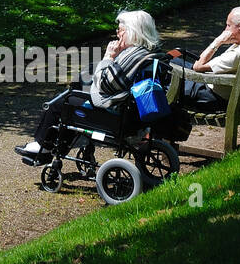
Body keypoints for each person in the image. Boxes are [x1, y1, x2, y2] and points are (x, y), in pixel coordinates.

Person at [15, 9, 161, 164]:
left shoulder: (131, 56)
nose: (117, 33)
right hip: (128, 109)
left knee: (61, 104)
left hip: (114, 109)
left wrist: (109, 56)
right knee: (78, 87)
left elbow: (105, 84)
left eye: (121, 30)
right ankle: (53, 147)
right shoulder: (149, 53)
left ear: (133, 32)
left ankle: (41, 145)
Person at [169, 0, 240, 112]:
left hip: (210, 95)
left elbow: (198, 67)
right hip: (225, 90)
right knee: (171, 58)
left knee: (166, 66)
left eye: (228, 25)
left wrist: (218, 41)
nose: (225, 29)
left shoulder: (238, 53)